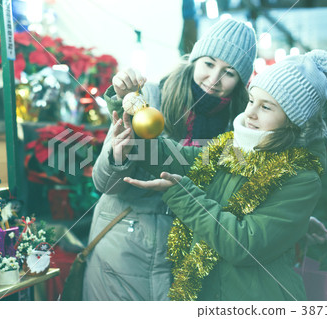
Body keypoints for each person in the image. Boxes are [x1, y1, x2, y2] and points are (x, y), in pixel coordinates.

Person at [114, 49, 327, 301]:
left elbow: (244, 244)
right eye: (252, 101)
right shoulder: (234, 149)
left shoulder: (302, 177)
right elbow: (179, 159)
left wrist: (182, 195)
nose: (250, 113)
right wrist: (134, 128)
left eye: (266, 107)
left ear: (293, 120)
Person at [82, 18, 257, 301]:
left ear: (241, 82)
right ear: (195, 60)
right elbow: (105, 184)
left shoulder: (237, 129)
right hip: (121, 254)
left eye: (229, 72)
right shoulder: (148, 97)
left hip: (183, 263)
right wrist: (117, 154)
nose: (214, 79)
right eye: (209, 64)